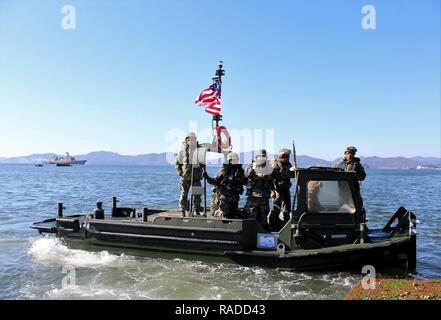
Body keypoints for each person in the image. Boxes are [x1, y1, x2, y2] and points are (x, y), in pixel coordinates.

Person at [204, 152, 245, 219]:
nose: (236, 161)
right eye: (234, 160)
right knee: (224, 215)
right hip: (225, 196)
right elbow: (216, 181)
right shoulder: (224, 169)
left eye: (237, 160)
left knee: (236, 215)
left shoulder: (240, 170)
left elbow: (244, 181)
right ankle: (216, 212)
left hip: (234, 197)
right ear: (230, 160)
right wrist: (207, 177)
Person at [244, 149, 274, 231]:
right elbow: (246, 175)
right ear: (257, 157)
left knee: (263, 219)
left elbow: (272, 176)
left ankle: (263, 236)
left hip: (264, 197)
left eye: (264, 156)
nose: (262, 158)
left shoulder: (269, 167)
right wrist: (253, 167)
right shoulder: (250, 166)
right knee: (251, 217)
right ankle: (250, 235)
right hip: (253, 197)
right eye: (260, 156)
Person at [175, 132, 203, 216]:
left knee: (197, 194)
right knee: (184, 194)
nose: (192, 141)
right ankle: (183, 211)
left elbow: (202, 161)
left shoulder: (199, 149)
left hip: (196, 176)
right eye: (190, 139)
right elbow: (177, 162)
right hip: (185, 176)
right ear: (186, 140)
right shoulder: (182, 150)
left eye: (193, 139)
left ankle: (197, 210)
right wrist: (179, 172)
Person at [268, 148, 294, 231]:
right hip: (277, 191)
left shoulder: (288, 164)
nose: (287, 158)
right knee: (276, 209)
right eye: (285, 156)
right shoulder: (275, 165)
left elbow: (291, 175)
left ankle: (286, 226)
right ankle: (272, 225)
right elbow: (269, 179)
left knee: (287, 209)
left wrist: (295, 170)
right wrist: (272, 191)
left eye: (288, 156)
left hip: (286, 189)